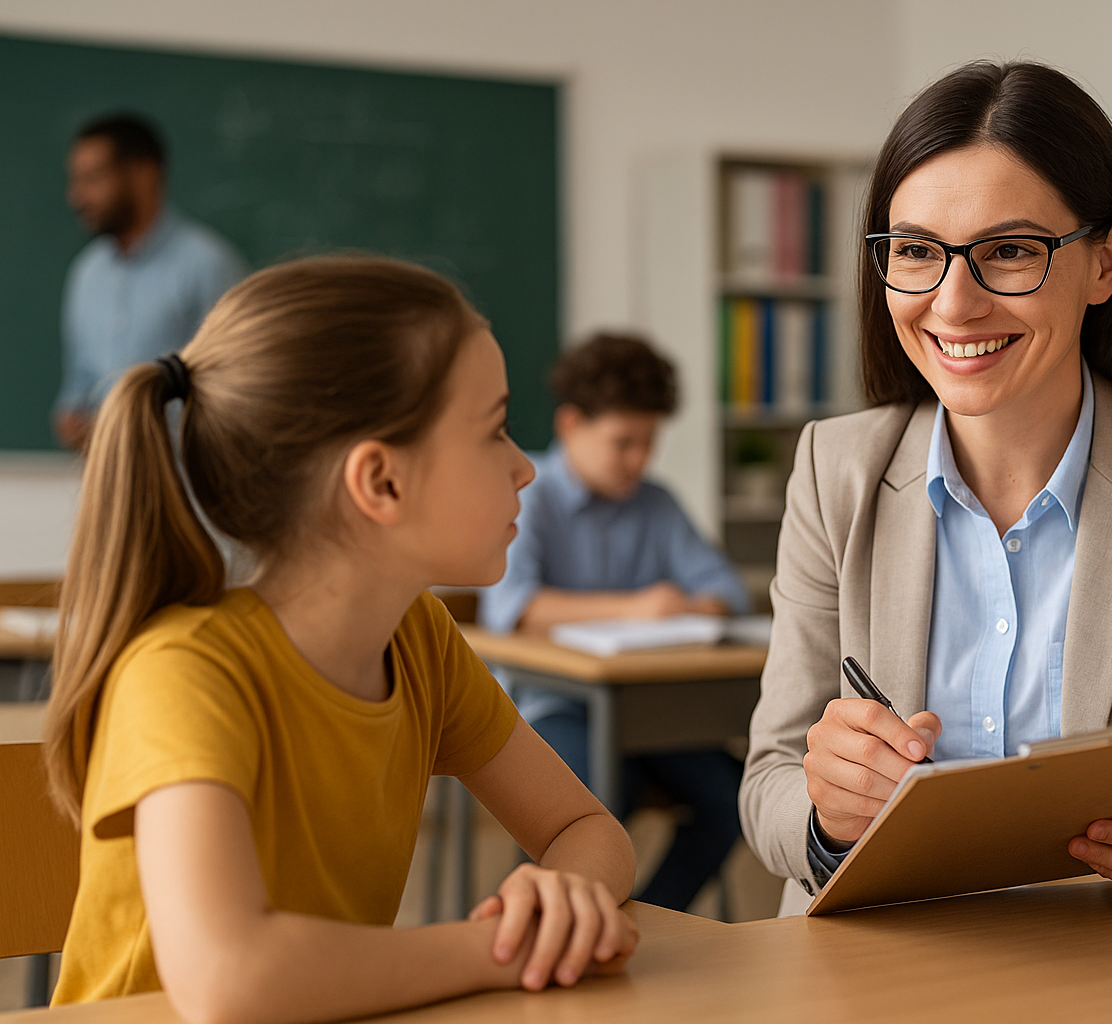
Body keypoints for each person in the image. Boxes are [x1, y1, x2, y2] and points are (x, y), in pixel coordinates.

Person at [740, 61, 1112, 918]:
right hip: (879, 969)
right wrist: (828, 821)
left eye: (1010, 252)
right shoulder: (834, 470)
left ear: (1105, 263)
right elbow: (769, 777)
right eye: (915, 252)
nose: (953, 303)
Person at [43, 257, 638, 1017]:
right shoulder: (184, 673)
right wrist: (499, 950)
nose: (525, 467)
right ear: (381, 482)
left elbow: (585, 826)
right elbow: (231, 979)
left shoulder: (418, 636)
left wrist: (560, 900)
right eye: (494, 430)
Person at [479, 333, 751, 914]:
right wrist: (637, 607)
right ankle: (541, 923)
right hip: (553, 709)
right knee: (593, 803)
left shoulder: (655, 503)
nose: (638, 460)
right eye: (622, 442)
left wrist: (690, 607)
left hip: (649, 714)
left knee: (734, 798)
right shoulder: (529, 496)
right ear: (572, 424)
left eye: (648, 444)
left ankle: (651, 919)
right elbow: (514, 608)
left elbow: (725, 590)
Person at [54, 113, 245, 450]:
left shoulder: (207, 265)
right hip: (112, 484)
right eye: (76, 180)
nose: (77, 197)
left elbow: (238, 388)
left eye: (94, 179)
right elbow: (78, 387)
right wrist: (73, 418)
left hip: (186, 488)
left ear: (144, 173)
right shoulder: (87, 274)